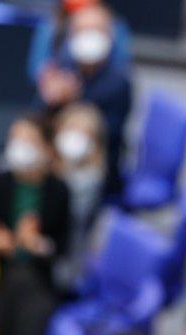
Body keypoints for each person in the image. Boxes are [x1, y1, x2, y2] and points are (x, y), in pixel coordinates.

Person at [0, 115, 70, 335]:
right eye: (14, 140)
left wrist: (38, 245)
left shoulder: (58, 190)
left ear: (45, 148)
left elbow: (62, 246)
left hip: (36, 276)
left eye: (27, 141)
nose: (18, 147)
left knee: (26, 293)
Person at [37, 3, 132, 193]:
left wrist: (73, 98)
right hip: (53, 161)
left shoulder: (119, 82)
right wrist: (50, 100)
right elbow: (40, 121)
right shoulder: (61, 68)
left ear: (110, 37)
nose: (88, 37)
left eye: (95, 31)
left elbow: (108, 134)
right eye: (82, 31)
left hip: (96, 169)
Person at [51, 102, 109, 291]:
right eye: (70, 129)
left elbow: (67, 216)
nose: (74, 137)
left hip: (65, 266)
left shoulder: (92, 180)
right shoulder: (48, 166)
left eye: (83, 133)